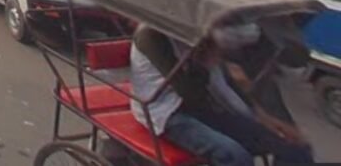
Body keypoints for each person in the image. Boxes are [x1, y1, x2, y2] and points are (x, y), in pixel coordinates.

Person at [130, 24, 313, 166]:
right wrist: (204, 60)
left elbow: (225, 84)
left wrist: (264, 119)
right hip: (167, 112)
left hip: (204, 106)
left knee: (295, 147)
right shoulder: (151, 36)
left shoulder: (199, 33)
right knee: (236, 157)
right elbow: (190, 93)